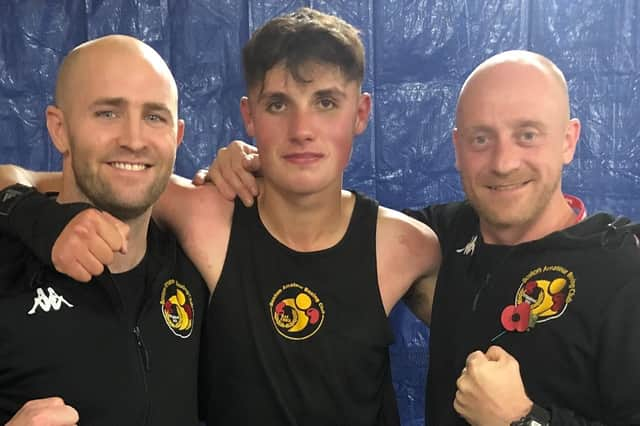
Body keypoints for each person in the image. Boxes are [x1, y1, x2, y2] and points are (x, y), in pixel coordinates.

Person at [0, 8, 440, 426]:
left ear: (361, 113)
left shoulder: (409, 247)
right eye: (278, 105)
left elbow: (485, 308)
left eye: (325, 102)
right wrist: (37, 217)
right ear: (249, 115)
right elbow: (43, 177)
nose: (302, 128)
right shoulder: (202, 213)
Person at [194, 50, 640, 425]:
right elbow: (329, 222)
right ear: (457, 147)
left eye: (527, 135)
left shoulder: (623, 271)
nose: (503, 162)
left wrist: (523, 420)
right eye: (481, 138)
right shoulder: (436, 237)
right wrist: (255, 166)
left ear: (568, 140)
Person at [0, 35, 208, 425]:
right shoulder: (8, 266)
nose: (133, 140)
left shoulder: (196, 265)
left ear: (177, 137)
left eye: (154, 116)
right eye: (108, 113)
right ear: (59, 129)